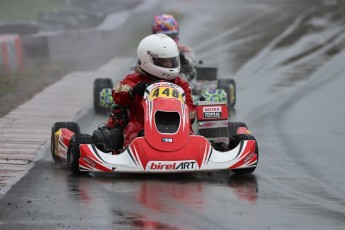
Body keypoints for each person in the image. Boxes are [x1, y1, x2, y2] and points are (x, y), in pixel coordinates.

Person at [112, 34, 196, 148]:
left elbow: (190, 113)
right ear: (146, 60)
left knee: (191, 136)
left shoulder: (181, 84)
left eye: (171, 61)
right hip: (141, 127)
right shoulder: (135, 79)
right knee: (131, 132)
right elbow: (117, 94)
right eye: (163, 61)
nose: (169, 65)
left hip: (178, 128)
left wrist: (185, 112)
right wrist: (133, 91)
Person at [152, 14, 196, 80]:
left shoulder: (184, 50)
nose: (169, 40)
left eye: (172, 36)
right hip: (154, 85)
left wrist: (183, 60)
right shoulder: (149, 51)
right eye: (165, 37)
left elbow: (191, 68)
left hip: (179, 87)